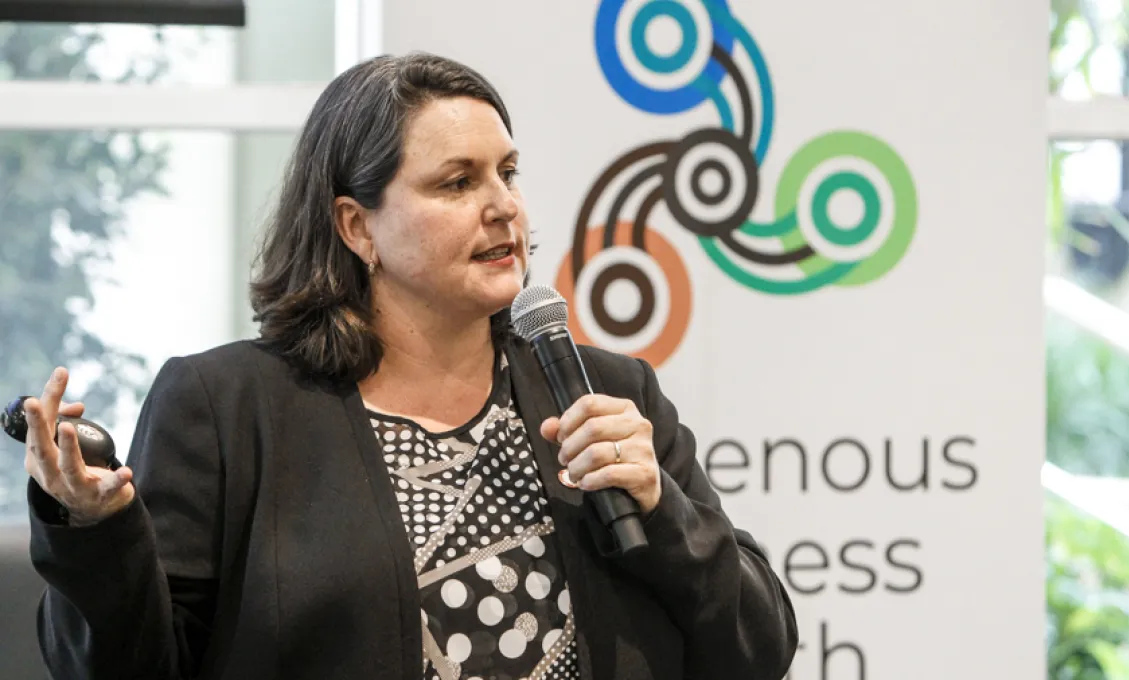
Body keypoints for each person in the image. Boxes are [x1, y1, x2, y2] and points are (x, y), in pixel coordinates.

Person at [22, 52, 798, 680]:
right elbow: (128, 666)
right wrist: (92, 533)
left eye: (508, 172)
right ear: (357, 226)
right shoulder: (228, 407)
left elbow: (758, 648)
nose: (504, 207)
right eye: (457, 182)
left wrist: (664, 511)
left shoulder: (608, 392)